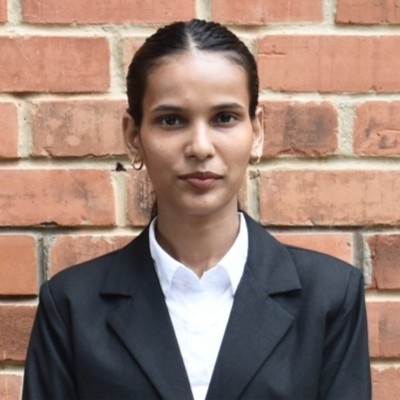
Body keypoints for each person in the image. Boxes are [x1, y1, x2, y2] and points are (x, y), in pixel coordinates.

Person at [22, 19, 371, 400]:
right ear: (134, 136)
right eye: (171, 120)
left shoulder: (329, 296)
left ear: (256, 131)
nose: (200, 147)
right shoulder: (72, 306)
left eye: (224, 118)